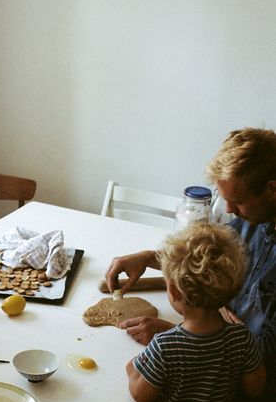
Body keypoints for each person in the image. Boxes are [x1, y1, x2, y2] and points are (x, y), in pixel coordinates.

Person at [105, 128, 276, 380]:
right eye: (224, 198)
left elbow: (260, 361)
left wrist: (183, 338)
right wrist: (147, 258)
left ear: (272, 190)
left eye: (237, 201)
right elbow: (209, 256)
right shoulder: (254, 219)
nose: (229, 209)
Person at [126, 222, 266, 402]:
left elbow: (140, 395)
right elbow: (255, 388)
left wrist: (132, 367)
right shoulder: (242, 338)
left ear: (173, 290)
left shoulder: (166, 346)